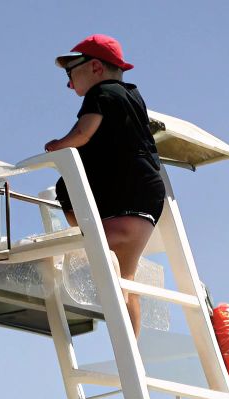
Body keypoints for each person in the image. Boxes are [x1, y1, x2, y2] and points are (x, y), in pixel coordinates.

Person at [45, 34, 166, 337]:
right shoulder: (133, 97)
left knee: (66, 186)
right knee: (126, 279)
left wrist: (58, 145)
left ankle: (80, 234)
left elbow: (85, 131)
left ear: (95, 67)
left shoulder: (101, 93)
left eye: (70, 73)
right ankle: (131, 351)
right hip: (147, 205)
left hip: (122, 200)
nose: (69, 84)